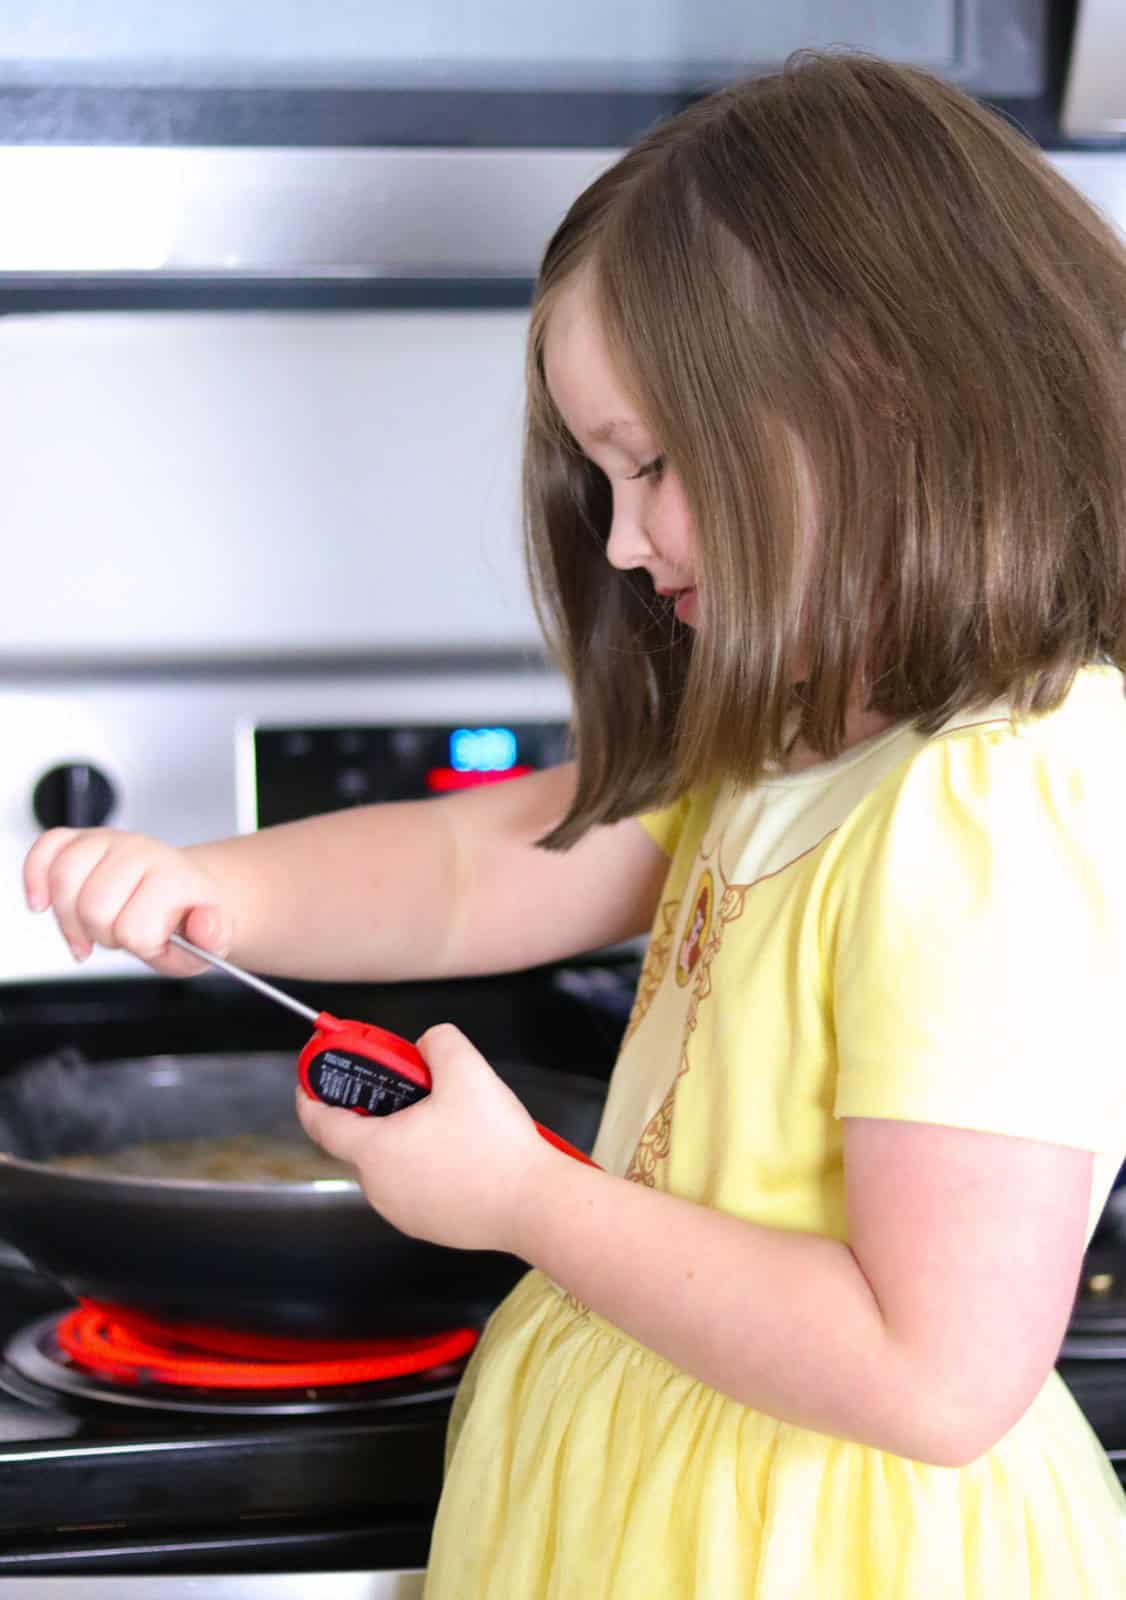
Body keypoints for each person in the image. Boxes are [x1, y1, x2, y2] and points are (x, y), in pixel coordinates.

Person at [21, 51, 1126, 1598]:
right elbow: (477, 866)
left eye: (653, 463)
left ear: (879, 385)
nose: (618, 542)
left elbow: (930, 1373)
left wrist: (525, 1198)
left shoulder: (996, 795)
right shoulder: (794, 737)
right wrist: (208, 886)